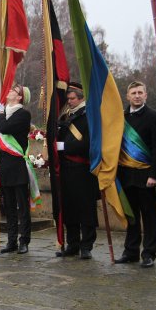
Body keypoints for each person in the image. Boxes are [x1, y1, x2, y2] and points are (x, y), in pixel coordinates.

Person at [117, 82, 156, 268]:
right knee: (131, 215)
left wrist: (154, 175)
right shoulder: (120, 118)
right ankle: (131, 251)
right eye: (133, 93)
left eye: (140, 93)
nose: (137, 96)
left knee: (149, 215)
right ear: (127, 96)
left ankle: (149, 253)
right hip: (125, 175)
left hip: (146, 175)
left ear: (145, 95)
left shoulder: (155, 117)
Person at [55, 83, 99, 260]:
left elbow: (89, 142)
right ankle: (72, 243)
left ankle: (86, 245)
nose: (69, 101)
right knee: (69, 208)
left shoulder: (89, 116)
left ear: (81, 98)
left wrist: (64, 146)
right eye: (69, 99)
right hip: (66, 169)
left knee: (85, 209)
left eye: (72, 98)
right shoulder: (66, 116)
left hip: (82, 169)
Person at [0, 84, 33, 254]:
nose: (9, 92)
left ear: (20, 97)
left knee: (22, 207)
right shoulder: (5, 113)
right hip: (5, 167)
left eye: (13, 91)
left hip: (18, 166)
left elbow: (5, 128)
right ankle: (11, 240)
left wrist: (0, 114)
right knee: (8, 206)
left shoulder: (23, 114)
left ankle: (24, 240)